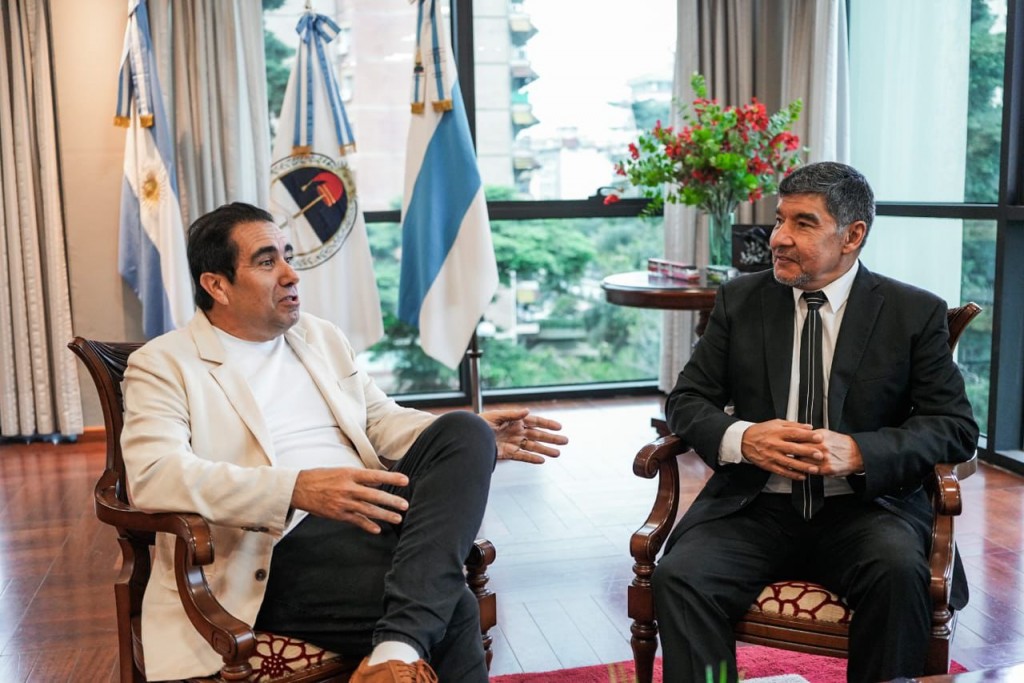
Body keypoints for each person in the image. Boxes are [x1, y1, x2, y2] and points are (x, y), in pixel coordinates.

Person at [120, 202, 568, 683]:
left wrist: (471, 440)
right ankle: (399, 648)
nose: (291, 274)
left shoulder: (320, 337)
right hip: (274, 547)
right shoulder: (163, 364)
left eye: (288, 256)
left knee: (465, 429)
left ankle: (394, 651)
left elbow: (381, 420)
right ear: (217, 285)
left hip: (370, 511)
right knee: (453, 605)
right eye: (267, 262)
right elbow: (154, 476)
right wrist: (296, 489)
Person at [651, 162, 978, 683]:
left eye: (802, 223)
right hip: (754, 505)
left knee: (898, 574)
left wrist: (862, 451)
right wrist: (742, 438)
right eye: (780, 219)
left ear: (852, 235)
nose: (778, 238)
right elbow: (688, 399)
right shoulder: (741, 300)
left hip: (867, 510)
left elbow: (954, 427)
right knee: (681, 577)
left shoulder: (911, 311)